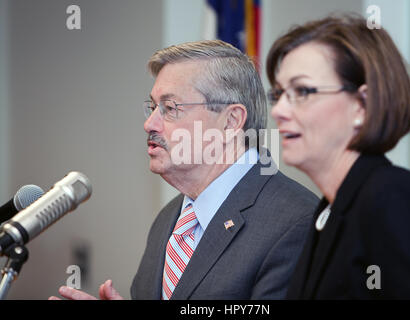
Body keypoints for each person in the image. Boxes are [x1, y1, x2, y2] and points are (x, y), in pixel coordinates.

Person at [49, 40, 318, 300]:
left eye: (170, 108)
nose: (150, 124)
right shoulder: (170, 219)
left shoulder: (296, 224)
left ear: (231, 121)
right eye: (153, 107)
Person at [267, 14, 410, 299]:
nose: (278, 110)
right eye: (279, 94)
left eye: (302, 91)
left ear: (361, 106)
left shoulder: (393, 197)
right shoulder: (330, 209)